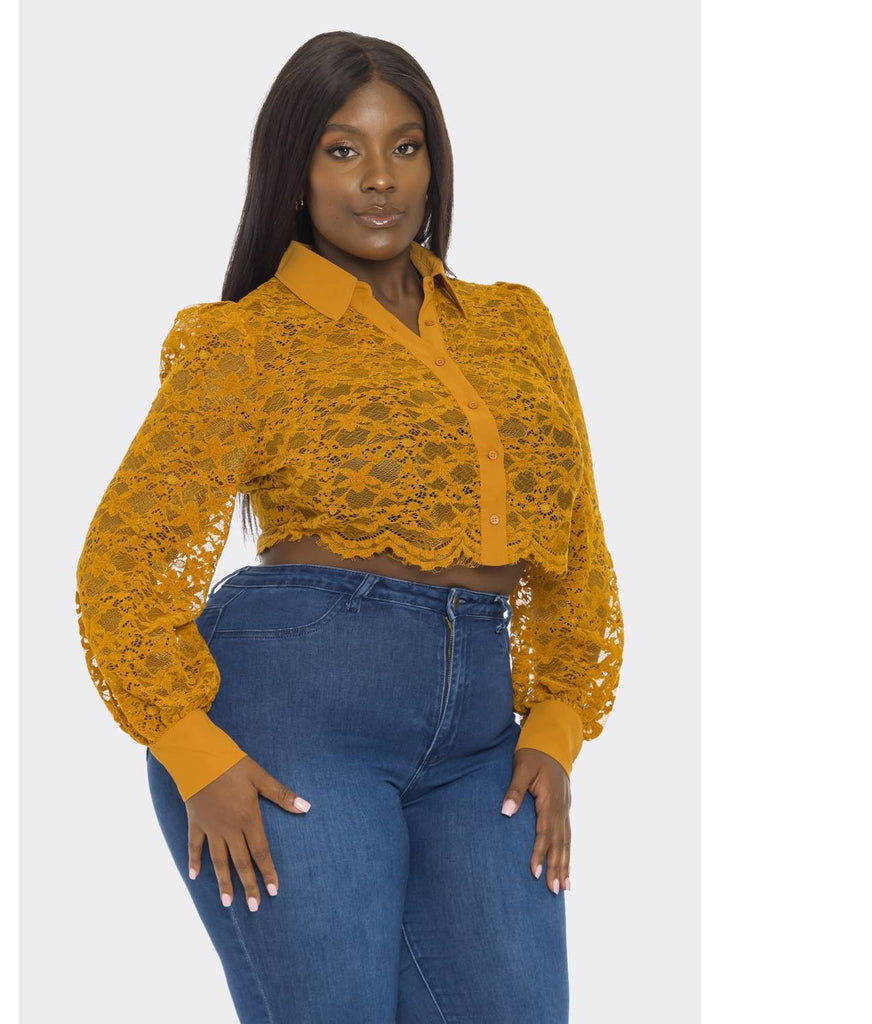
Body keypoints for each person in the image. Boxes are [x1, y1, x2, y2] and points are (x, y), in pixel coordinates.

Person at [74, 30, 624, 1024]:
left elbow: (577, 548)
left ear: (434, 163)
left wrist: (555, 726)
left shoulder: (514, 324)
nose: (379, 179)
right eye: (342, 149)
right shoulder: (244, 343)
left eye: (405, 147)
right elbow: (124, 562)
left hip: (482, 743)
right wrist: (195, 755)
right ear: (295, 171)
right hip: (293, 721)